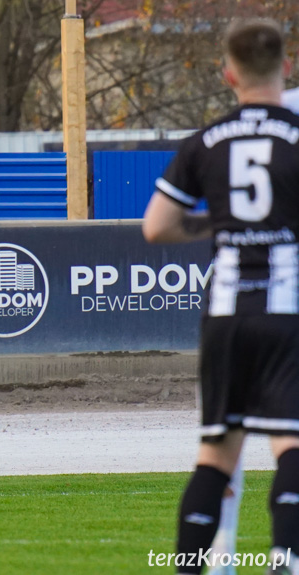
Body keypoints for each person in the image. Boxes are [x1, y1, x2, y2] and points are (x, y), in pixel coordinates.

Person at [143, 19, 299, 575]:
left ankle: (189, 566)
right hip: (286, 312)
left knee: (216, 454)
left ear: (228, 74)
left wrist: (220, 226)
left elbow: (157, 227)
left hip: (227, 313)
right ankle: (286, 559)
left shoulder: (204, 141)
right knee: (291, 444)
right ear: (286, 67)